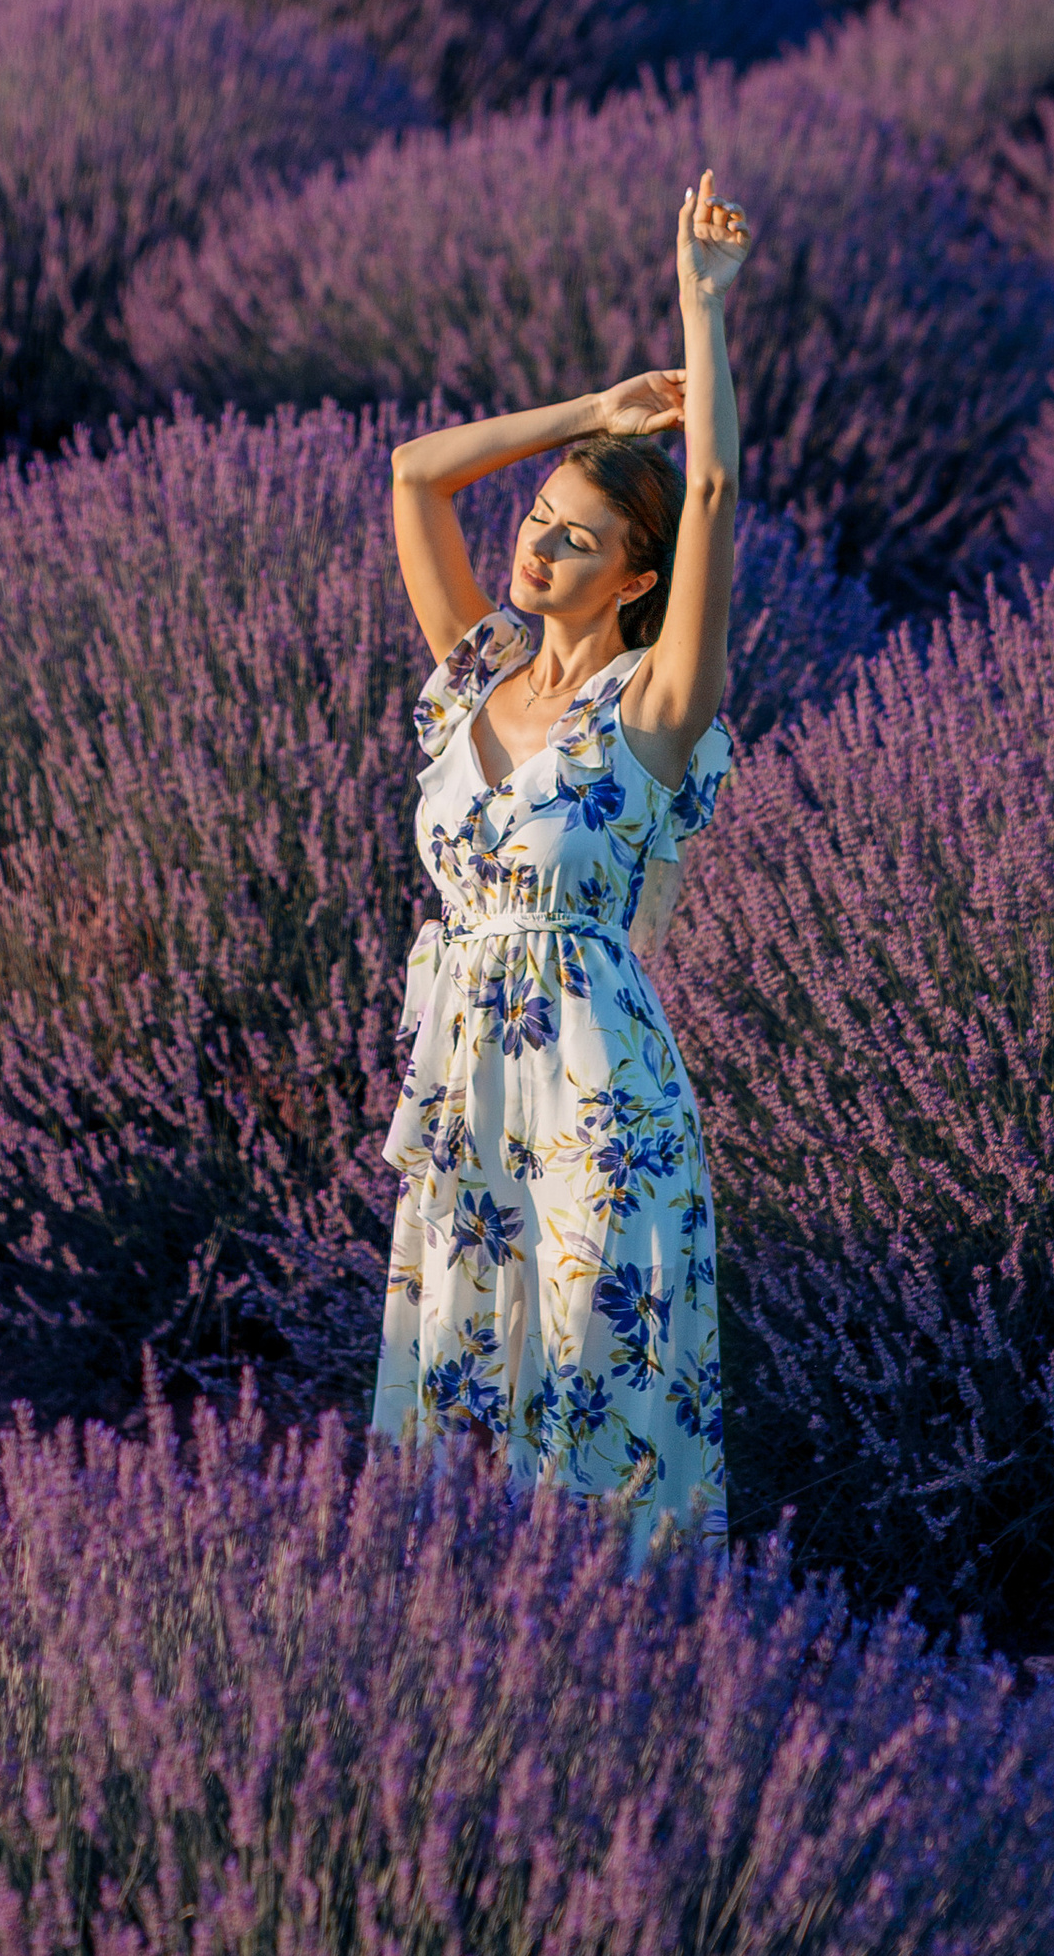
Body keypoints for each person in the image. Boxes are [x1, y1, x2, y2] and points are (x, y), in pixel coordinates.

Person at [369, 165, 751, 1564]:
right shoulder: (474, 676)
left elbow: (707, 486)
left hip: (599, 1097)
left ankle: (635, 1681)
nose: (536, 546)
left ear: (635, 578)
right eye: (538, 520)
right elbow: (416, 472)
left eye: (578, 537)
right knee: (461, 1403)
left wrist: (699, 314)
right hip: (465, 1089)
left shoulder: (655, 712)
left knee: (594, 1400)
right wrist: (592, 415)